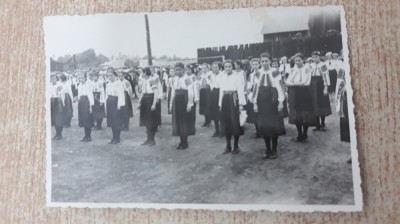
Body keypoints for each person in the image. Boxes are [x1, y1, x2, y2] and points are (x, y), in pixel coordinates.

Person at [253, 53, 286, 159]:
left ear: (270, 61)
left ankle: (274, 149)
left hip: (273, 100)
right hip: (262, 101)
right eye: (262, 61)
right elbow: (255, 88)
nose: (264, 63)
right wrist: (254, 103)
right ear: (260, 62)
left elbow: (280, 87)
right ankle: (267, 149)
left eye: (266, 61)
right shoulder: (257, 73)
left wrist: (281, 102)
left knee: (273, 125)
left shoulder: (275, 72)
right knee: (264, 125)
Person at [286, 53, 316, 142]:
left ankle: (305, 134)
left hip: (305, 92)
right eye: (296, 61)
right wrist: (297, 83)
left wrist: (294, 83)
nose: (297, 62)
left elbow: (306, 82)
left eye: (299, 60)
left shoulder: (307, 69)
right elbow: (287, 81)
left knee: (305, 113)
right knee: (296, 114)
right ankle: (299, 134)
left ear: (303, 60)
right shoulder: (292, 70)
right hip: (295, 93)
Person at [219, 60, 246, 154]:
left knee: (235, 123)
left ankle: (236, 146)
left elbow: (240, 91)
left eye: (229, 66)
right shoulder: (222, 76)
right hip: (224, 100)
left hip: (233, 100)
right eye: (225, 67)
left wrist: (241, 104)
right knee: (226, 123)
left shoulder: (237, 76)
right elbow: (221, 91)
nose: (227, 68)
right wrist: (220, 104)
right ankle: (228, 146)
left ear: (232, 67)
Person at [169, 62, 196, 149]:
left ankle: (185, 142)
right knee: (178, 121)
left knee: (184, 122)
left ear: (183, 70)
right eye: (176, 70)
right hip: (177, 101)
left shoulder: (187, 79)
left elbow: (191, 92)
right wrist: (171, 104)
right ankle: (181, 141)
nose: (177, 72)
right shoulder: (175, 79)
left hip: (184, 100)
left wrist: (189, 104)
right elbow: (173, 91)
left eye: (179, 70)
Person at [137, 67, 161, 146]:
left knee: (151, 121)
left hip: (150, 100)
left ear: (145, 73)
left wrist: (154, 104)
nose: (141, 74)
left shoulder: (151, 80)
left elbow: (156, 92)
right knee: (146, 121)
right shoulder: (144, 81)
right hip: (145, 101)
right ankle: (148, 139)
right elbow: (143, 93)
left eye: (142, 72)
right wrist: (139, 102)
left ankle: (152, 140)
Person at [310, 51, 332, 131]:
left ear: (319, 57)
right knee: (314, 105)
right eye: (313, 57)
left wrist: (325, 88)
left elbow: (326, 76)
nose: (314, 58)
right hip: (312, 86)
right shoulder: (310, 65)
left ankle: (323, 123)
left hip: (320, 86)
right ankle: (317, 124)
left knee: (322, 105)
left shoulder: (323, 65)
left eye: (316, 57)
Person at [105, 69, 125, 144]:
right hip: (109, 102)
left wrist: (119, 105)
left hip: (116, 102)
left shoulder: (118, 83)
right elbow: (106, 94)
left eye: (112, 76)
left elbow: (121, 95)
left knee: (117, 121)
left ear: (115, 76)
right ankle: (113, 137)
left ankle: (117, 138)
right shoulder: (108, 84)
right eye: (109, 76)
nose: (110, 77)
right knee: (112, 121)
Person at [245, 58, 261, 138]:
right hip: (253, 96)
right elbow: (248, 86)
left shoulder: (262, 73)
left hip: (261, 95)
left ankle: (263, 130)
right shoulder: (251, 75)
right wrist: (250, 94)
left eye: (256, 64)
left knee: (262, 113)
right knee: (255, 114)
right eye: (253, 64)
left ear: (259, 64)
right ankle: (258, 131)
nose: (255, 66)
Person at [77, 73, 95, 142]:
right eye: (79, 78)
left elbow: (90, 96)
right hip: (81, 103)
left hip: (86, 102)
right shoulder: (79, 86)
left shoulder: (88, 86)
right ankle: (86, 135)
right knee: (83, 120)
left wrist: (90, 106)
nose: (81, 79)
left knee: (87, 120)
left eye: (82, 78)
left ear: (85, 78)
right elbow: (79, 95)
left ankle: (89, 136)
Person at [209, 61, 223, 137]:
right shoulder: (211, 75)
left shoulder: (222, 75)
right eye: (213, 67)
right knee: (214, 113)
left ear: (219, 68)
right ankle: (217, 130)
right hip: (213, 94)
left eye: (216, 67)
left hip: (220, 93)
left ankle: (222, 131)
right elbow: (211, 83)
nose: (214, 69)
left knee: (221, 113)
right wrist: (212, 89)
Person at [50, 74, 66, 140]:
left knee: (59, 119)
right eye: (51, 79)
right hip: (52, 102)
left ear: (56, 79)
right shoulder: (50, 86)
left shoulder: (59, 85)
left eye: (54, 78)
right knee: (54, 119)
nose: (53, 80)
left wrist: (63, 103)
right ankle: (56, 133)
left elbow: (62, 94)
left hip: (58, 102)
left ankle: (59, 134)